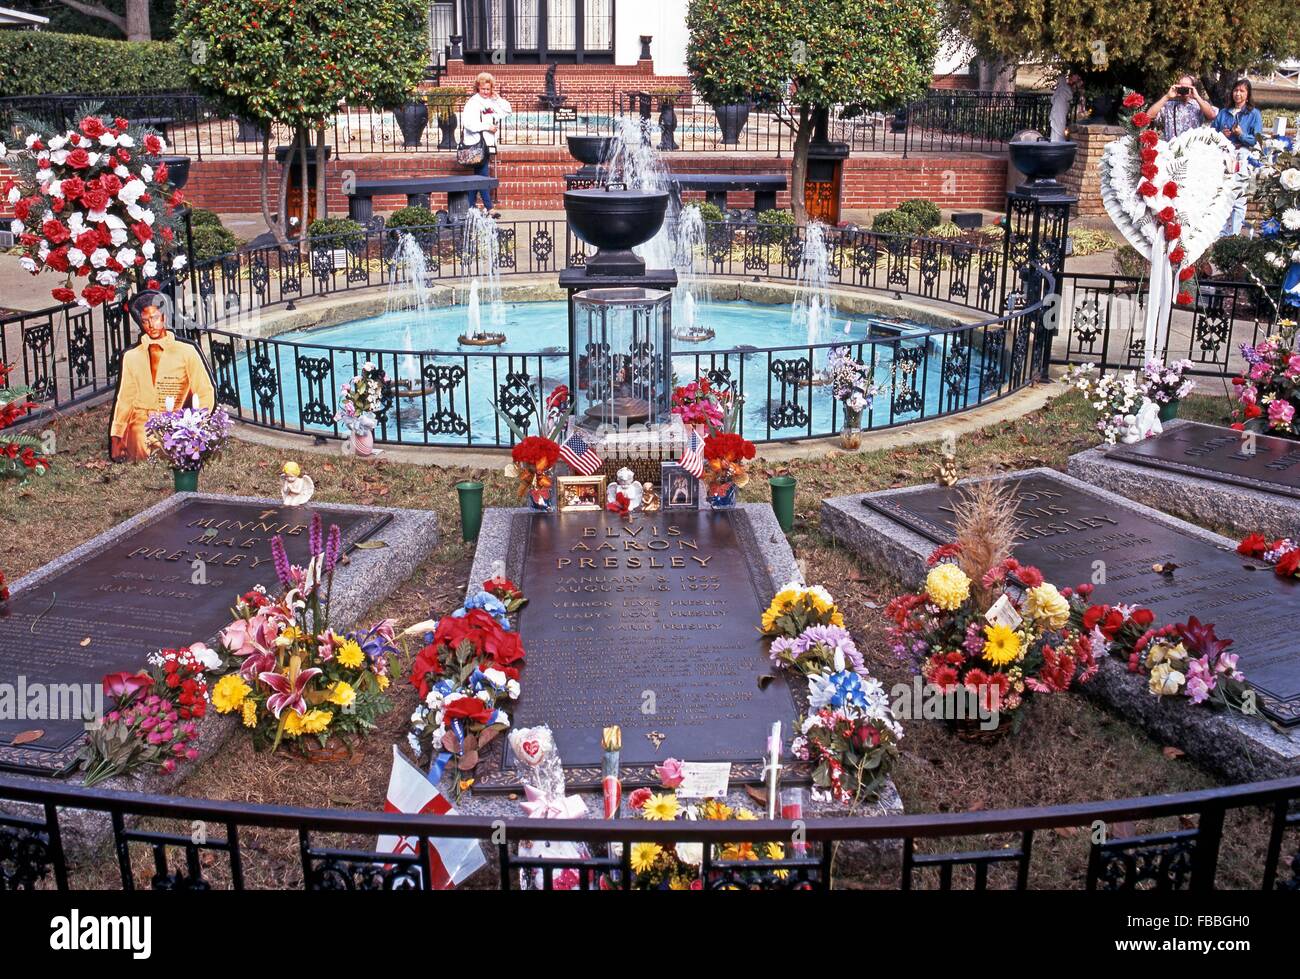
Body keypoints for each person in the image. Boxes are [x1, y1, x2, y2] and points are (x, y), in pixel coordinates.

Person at [109, 291, 215, 462]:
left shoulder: (187, 352)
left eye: (155, 317)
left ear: (164, 317)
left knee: (170, 446)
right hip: (140, 423)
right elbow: (125, 399)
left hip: (177, 421)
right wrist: (116, 436)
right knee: (141, 436)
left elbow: (205, 392)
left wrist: (196, 426)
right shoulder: (132, 356)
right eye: (145, 321)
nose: (151, 325)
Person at [1214, 78, 1264, 237]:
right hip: (1225, 156)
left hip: (1243, 156)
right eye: (1236, 90)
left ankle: (1234, 235)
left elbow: (1256, 139)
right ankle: (1221, 233)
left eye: (1242, 91)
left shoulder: (1254, 114)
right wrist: (1222, 135)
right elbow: (1211, 134)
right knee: (1222, 196)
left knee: (1239, 197)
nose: (1238, 94)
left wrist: (1241, 135)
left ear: (1248, 95)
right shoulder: (1224, 112)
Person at [460, 71, 511, 215]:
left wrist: (498, 99)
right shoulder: (473, 103)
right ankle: (489, 208)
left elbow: (508, 111)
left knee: (478, 176)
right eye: (483, 89)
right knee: (482, 176)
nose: (485, 92)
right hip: (477, 145)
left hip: (487, 144)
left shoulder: (491, 101)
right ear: (478, 88)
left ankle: (469, 208)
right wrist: (487, 127)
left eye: (488, 89)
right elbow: (469, 124)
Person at [1148, 74, 1217, 141]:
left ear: (1192, 88)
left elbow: (1212, 116)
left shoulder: (1199, 105)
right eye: (1181, 87)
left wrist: (1197, 97)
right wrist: (1167, 96)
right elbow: (1148, 116)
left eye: (1187, 88)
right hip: (1172, 149)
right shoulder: (1168, 106)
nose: (1184, 90)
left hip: (1193, 149)